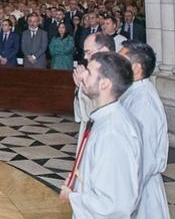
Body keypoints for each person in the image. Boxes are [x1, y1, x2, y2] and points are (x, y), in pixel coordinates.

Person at [60, 52, 140, 218]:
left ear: (104, 84)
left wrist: (72, 196)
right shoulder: (104, 119)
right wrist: (79, 180)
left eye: (88, 72)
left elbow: (113, 204)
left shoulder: (113, 132)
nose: (83, 75)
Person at [119, 40, 169, 219]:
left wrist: (124, 192)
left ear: (137, 68)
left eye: (120, 60)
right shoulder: (132, 92)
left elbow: (144, 156)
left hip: (140, 191)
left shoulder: (143, 102)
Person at [72, 33, 115, 145]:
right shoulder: (90, 73)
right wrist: (79, 88)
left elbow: (99, 112)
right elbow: (80, 115)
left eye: (88, 52)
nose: (85, 57)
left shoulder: (115, 75)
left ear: (104, 50)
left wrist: (86, 88)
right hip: (89, 132)